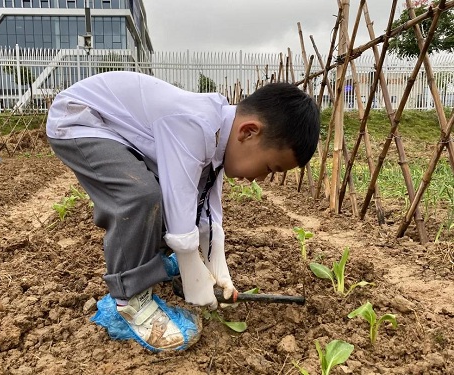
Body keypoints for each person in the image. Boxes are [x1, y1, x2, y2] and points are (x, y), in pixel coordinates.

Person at [46, 71, 320, 352]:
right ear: (248, 132)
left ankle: (150, 264)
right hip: (80, 118)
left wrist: (217, 269)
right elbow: (179, 210)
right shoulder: (196, 125)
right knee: (139, 196)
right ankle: (129, 301)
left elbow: (205, 209)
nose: (261, 179)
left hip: (113, 130)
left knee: (167, 198)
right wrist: (191, 271)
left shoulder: (216, 136)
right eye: (269, 168)